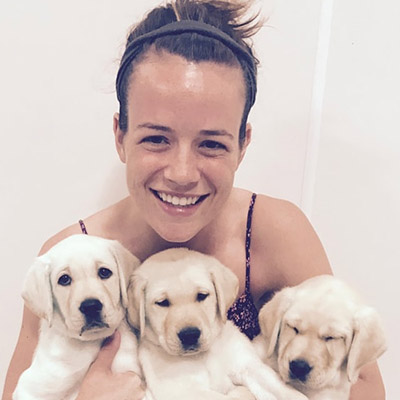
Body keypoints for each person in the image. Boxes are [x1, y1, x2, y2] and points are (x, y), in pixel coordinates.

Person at [2, 1, 385, 399]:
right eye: (156, 138)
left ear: (242, 145)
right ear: (120, 136)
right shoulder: (68, 257)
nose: (182, 173)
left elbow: (362, 383)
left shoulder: (274, 231)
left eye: (211, 144)